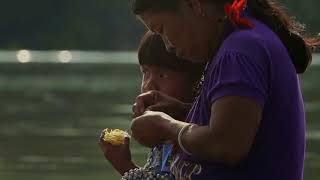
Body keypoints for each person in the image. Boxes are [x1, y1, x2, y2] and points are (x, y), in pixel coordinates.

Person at [129, 0, 320, 179]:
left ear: (193, 6)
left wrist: (166, 126)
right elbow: (237, 124)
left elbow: (226, 144)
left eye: (161, 30)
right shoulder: (239, 42)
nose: (167, 46)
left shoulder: (239, 51)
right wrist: (181, 111)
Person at [99, 31, 204, 179]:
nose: (149, 85)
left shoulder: (193, 136)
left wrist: (124, 165)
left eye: (162, 75)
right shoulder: (162, 130)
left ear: (194, 81)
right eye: (145, 72)